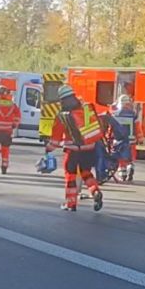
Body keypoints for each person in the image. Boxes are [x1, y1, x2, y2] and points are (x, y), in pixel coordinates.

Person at [46, 84, 104, 212]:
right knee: (86, 172)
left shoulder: (63, 115)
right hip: (90, 147)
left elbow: (55, 139)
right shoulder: (87, 109)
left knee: (70, 175)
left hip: (72, 150)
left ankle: (71, 204)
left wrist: (49, 148)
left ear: (62, 100)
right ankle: (95, 191)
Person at [0, 85, 21, 174]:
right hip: (8, 131)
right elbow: (18, 115)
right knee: (5, 149)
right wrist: (14, 124)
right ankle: (4, 167)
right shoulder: (12, 104)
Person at [111, 95, 143, 182]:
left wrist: (109, 137)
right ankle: (130, 168)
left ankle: (123, 175)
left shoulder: (115, 114)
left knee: (121, 159)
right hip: (131, 140)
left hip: (119, 140)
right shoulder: (133, 115)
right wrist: (140, 139)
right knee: (130, 158)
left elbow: (111, 128)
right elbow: (137, 128)